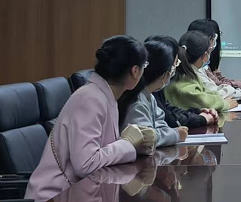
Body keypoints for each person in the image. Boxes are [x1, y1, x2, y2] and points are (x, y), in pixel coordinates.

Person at [26, 36, 156, 201]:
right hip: (56, 195)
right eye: (145, 66)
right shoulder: (90, 99)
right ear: (135, 71)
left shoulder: (104, 96)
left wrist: (136, 146)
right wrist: (129, 144)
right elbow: (86, 163)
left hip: (83, 192)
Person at [118, 37, 189, 148]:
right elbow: (145, 139)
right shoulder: (136, 101)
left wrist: (171, 134)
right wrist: (176, 134)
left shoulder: (149, 97)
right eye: (174, 65)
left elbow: (161, 127)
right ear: (165, 74)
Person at [147, 35, 218, 128]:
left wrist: (198, 112)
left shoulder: (155, 90)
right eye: (176, 63)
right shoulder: (143, 94)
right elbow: (169, 119)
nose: (175, 68)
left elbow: (168, 109)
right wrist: (201, 119)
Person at [164, 30, 239, 112]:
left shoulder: (188, 73)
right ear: (205, 55)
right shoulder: (183, 79)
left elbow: (208, 93)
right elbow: (203, 102)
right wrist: (225, 104)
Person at [188, 19, 241, 101]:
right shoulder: (194, 70)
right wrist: (238, 93)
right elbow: (212, 94)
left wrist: (238, 90)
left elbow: (216, 86)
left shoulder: (201, 66)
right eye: (213, 39)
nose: (214, 44)